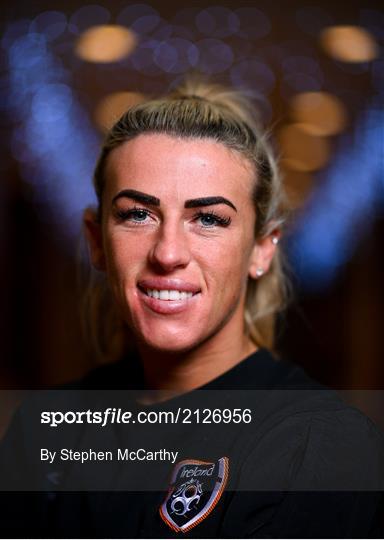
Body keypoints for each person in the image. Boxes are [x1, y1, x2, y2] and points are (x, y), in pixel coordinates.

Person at [0, 78, 383, 538]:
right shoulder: (43, 431)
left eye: (208, 219)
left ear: (262, 249)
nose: (167, 253)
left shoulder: (319, 444)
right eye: (137, 214)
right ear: (96, 241)